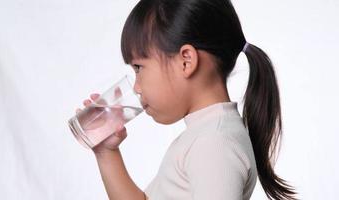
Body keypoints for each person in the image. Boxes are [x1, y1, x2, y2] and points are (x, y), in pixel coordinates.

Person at [77, 0, 297, 199]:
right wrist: (106, 152)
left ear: (186, 61)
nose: (136, 87)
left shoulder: (213, 144)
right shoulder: (205, 135)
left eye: (139, 67)